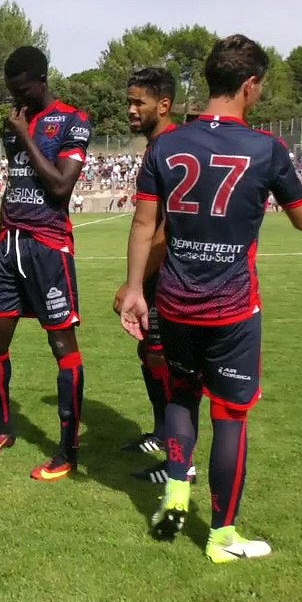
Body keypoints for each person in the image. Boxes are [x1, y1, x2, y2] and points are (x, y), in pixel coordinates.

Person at [119, 34, 302, 563]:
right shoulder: (267, 148)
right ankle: (222, 536)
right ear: (250, 86)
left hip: (175, 302)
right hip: (231, 309)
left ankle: (177, 486)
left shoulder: (166, 144)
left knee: (182, 397)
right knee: (231, 416)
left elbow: (143, 224)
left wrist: (136, 289)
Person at [0, 47, 90, 481]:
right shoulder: (14, 125)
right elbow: (14, 186)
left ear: (41, 80)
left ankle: (67, 450)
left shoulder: (73, 121)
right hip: (10, 247)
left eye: (22, 89)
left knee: (62, 347)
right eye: (11, 92)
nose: (16, 99)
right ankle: (2, 429)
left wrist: (24, 134)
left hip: (48, 247)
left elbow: (60, 186)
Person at [114, 67, 186, 484]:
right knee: (149, 353)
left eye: (138, 102)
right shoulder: (157, 145)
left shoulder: (171, 147)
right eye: (129, 101)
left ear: (164, 105)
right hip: (160, 275)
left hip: (172, 273)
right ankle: (161, 434)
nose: (131, 110)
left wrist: (134, 283)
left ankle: (178, 459)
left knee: (165, 359)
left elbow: (166, 224)